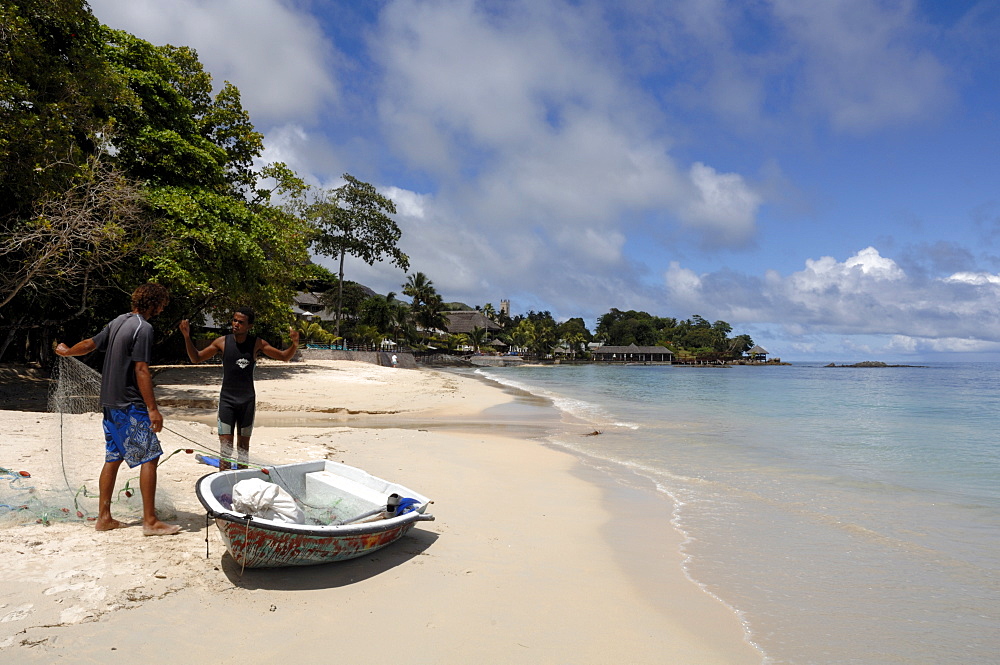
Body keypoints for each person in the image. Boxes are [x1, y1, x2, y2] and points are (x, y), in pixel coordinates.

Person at [54, 283, 181, 536]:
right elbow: (141, 369)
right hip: (129, 404)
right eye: (162, 305)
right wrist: (153, 409)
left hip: (110, 404)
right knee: (149, 456)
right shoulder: (143, 329)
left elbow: (90, 344)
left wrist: (68, 352)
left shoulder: (118, 321)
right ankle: (150, 521)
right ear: (154, 304)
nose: (162, 309)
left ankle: (104, 518)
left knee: (113, 457)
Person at [179, 308, 299, 470]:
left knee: (243, 449)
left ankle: (243, 486)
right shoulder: (222, 342)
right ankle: (224, 487)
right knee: (226, 449)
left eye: (241, 322)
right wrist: (187, 337)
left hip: (247, 401)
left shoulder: (257, 343)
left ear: (249, 326)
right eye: (234, 320)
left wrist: (294, 345)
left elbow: (284, 357)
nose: (236, 324)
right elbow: (196, 358)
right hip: (227, 401)